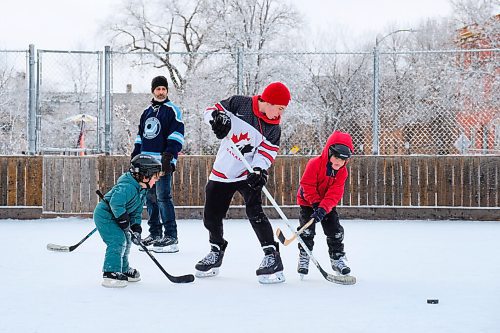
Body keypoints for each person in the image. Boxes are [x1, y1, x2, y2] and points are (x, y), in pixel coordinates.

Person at [194, 82, 291, 284]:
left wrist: (259, 169)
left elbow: (266, 152)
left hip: (247, 172)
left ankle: (271, 254)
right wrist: (216, 119)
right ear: (269, 102)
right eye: (280, 108)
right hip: (223, 171)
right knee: (211, 217)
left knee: (255, 211)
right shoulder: (240, 104)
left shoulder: (274, 128)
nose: (280, 113)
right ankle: (216, 249)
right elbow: (210, 110)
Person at [131, 76, 185, 253]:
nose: (161, 92)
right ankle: (155, 233)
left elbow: (176, 136)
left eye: (163, 89)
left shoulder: (172, 110)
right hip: (146, 163)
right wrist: (135, 156)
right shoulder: (146, 112)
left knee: (163, 197)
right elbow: (140, 137)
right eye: (158, 89)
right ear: (153, 91)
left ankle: (171, 236)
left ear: (167, 91)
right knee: (150, 199)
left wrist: (169, 157)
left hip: (162, 162)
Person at [94, 154, 162, 288]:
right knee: (117, 240)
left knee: (127, 239)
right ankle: (110, 272)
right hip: (106, 216)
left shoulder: (142, 190)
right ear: (144, 175)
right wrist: (123, 219)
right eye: (154, 178)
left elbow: (136, 211)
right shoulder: (128, 186)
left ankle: (123, 268)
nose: (155, 182)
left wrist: (136, 227)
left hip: (119, 217)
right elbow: (115, 203)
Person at [295, 130, 354, 278]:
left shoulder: (342, 172)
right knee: (306, 230)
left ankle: (337, 258)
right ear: (328, 152)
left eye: (342, 159)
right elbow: (307, 185)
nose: (338, 161)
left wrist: (323, 208)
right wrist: (315, 203)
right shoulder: (314, 164)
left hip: (326, 204)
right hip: (308, 202)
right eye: (335, 156)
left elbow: (335, 192)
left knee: (335, 230)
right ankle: (304, 256)